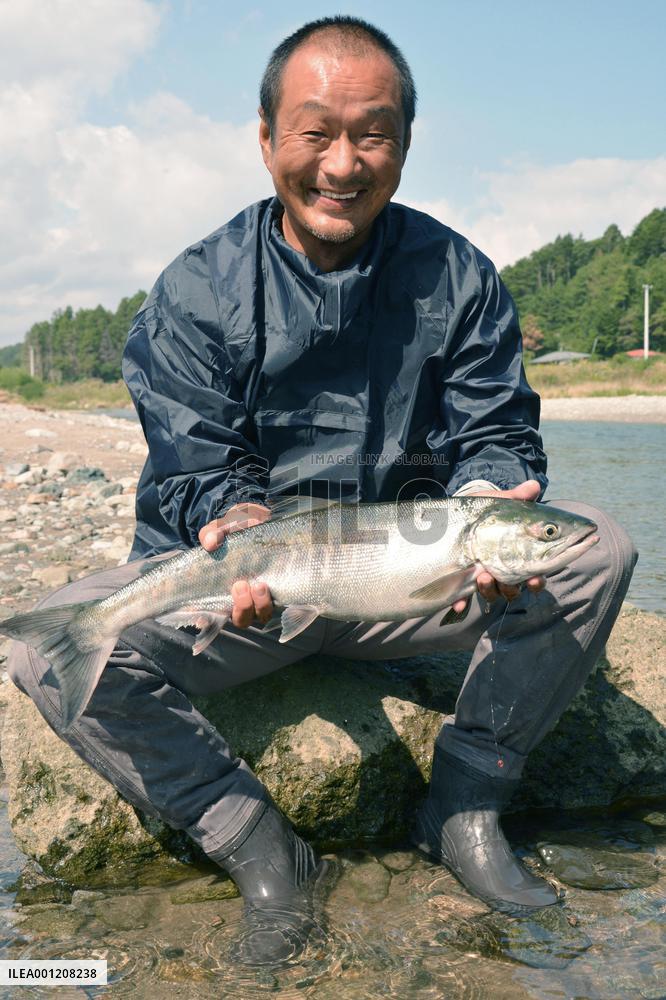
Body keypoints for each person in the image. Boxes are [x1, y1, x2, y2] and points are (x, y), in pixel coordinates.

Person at [7, 16, 637, 967]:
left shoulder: (460, 278)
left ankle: (463, 806)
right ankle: (261, 848)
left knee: (598, 547)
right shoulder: (197, 291)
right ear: (266, 139)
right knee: (58, 649)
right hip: (252, 596)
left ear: (406, 144)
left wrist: (493, 498)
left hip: (419, 584)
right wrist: (230, 524)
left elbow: (495, 435)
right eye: (316, 132)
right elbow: (195, 468)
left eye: (372, 134)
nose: (343, 163)